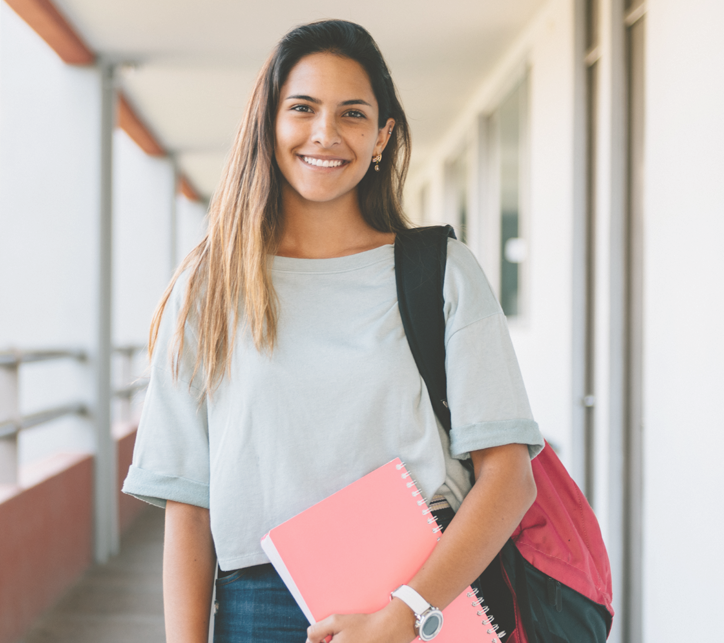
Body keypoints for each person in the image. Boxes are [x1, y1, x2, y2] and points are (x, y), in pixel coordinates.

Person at [122, 19, 544, 643]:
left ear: (382, 136)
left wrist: (404, 615)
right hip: (258, 607)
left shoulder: (441, 273)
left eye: (352, 113)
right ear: (268, 124)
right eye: (302, 108)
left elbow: (510, 476)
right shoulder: (210, 287)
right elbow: (190, 504)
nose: (326, 134)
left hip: (421, 595)